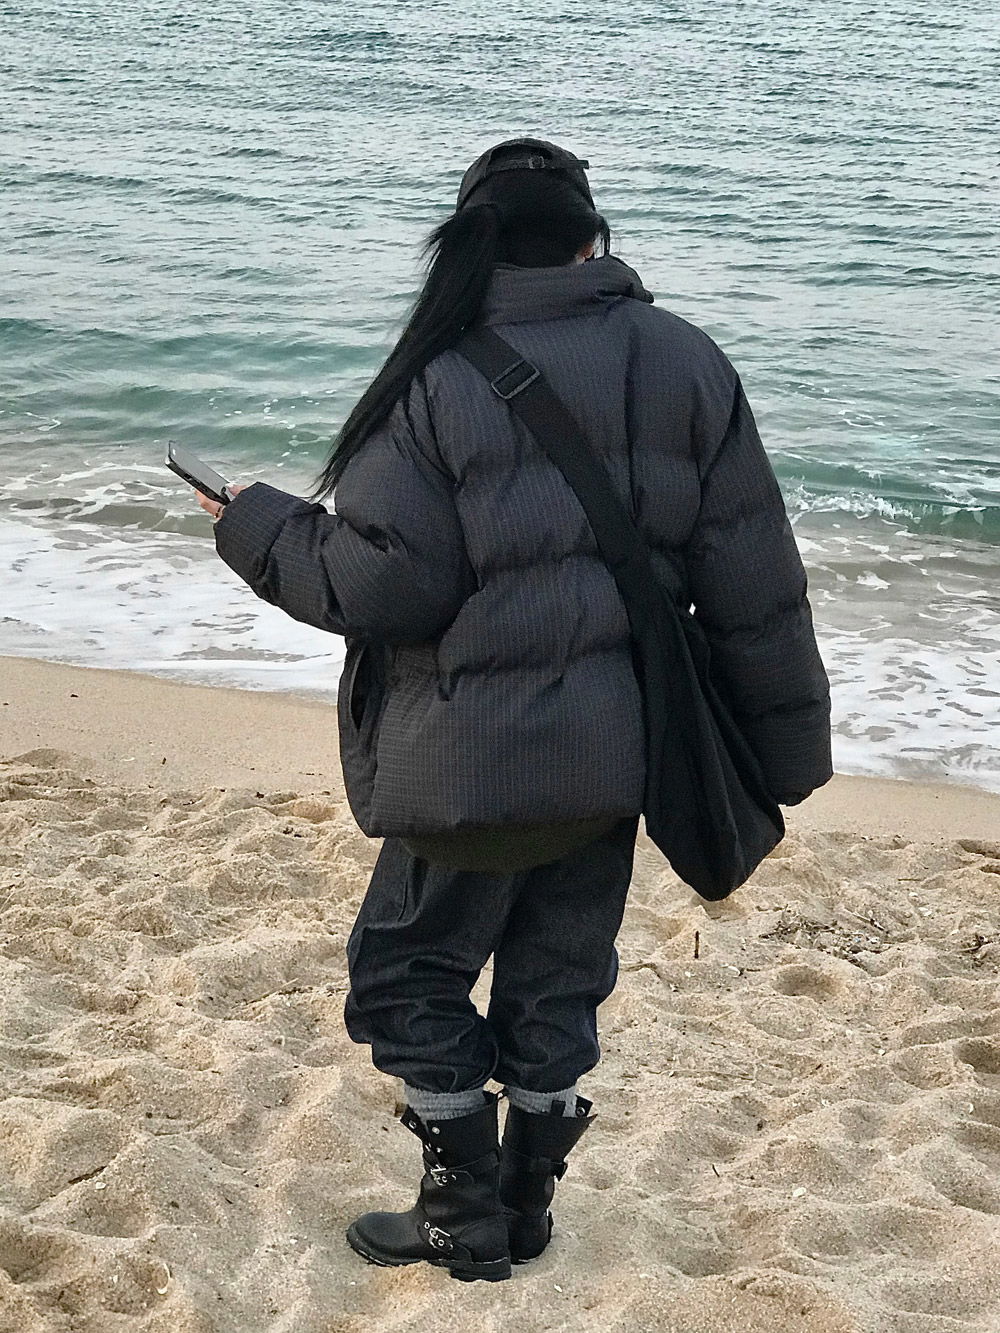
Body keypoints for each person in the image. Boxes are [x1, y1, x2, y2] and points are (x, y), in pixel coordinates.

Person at [196, 138, 832, 1283]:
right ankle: (527, 1208)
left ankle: (459, 1210)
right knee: (557, 980)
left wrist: (254, 524)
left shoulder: (434, 377)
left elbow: (384, 586)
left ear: (472, 246)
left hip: (467, 771)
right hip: (615, 760)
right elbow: (757, 584)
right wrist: (786, 754)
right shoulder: (687, 359)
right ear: (592, 241)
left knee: (405, 976)